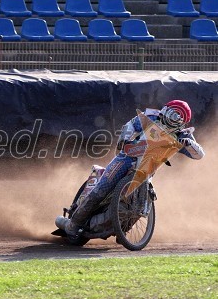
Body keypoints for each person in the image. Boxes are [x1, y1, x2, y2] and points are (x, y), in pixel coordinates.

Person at [56, 100, 205, 237]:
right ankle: (73, 224)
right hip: (127, 158)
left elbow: (199, 155)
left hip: (148, 168)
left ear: (182, 122)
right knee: (101, 190)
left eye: (177, 117)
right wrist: (127, 139)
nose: (171, 119)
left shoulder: (182, 135)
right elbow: (130, 126)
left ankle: (123, 228)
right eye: (171, 113)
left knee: (142, 201)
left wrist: (188, 144)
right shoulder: (151, 118)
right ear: (165, 110)